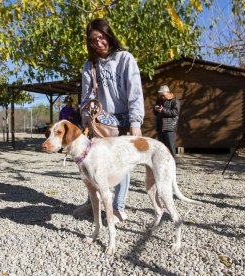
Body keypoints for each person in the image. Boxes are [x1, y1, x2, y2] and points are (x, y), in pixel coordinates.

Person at [73, 18, 145, 222]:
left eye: (101, 37)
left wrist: (135, 123)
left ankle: (117, 207)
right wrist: (86, 116)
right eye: (93, 40)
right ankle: (91, 202)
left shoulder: (125, 59)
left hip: (123, 120)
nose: (99, 43)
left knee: (120, 163)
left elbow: (135, 93)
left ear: (108, 35)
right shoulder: (90, 65)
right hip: (100, 122)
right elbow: (86, 97)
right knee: (91, 162)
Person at [154, 84, 180, 158]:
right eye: (161, 95)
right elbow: (155, 113)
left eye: (163, 95)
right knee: (162, 146)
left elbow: (175, 112)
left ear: (168, 92)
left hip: (170, 126)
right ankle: (164, 164)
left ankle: (173, 164)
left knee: (171, 146)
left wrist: (163, 110)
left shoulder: (175, 101)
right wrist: (155, 109)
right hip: (160, 126)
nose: (162, 97)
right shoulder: (159, 100)